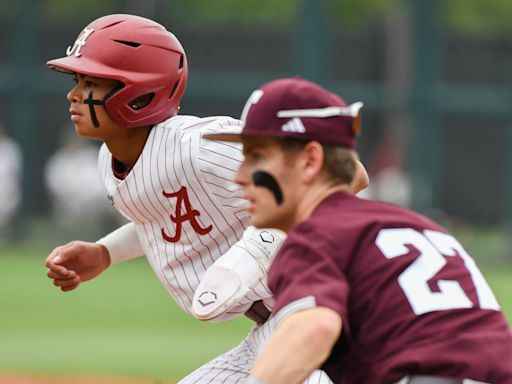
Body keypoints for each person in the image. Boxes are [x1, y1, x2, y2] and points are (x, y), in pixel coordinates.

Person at [43, 14, 369, 383]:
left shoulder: (199, 146)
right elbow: (168, 217)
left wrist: (260, 246)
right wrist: (105, 253)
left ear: (137, 93)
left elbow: (349, 173)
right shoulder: (111, 161)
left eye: (90, 83)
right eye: (76, 80)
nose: (73, 94)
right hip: (276, 326)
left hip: (335, 318)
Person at [204, 77, 512, 384]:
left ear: (310, 161)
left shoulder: (316, 235)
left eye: (257, 157)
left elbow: (314, 329)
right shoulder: (418, 226)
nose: (241, 176)